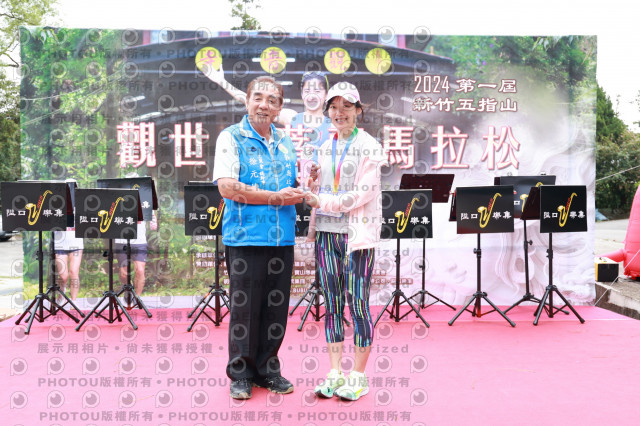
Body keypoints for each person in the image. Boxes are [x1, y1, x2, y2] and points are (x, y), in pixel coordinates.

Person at [212, 75, 306, 400]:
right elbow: (227, 187)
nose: (264, 105)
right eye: (258, 98)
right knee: (245, 309)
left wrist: (308, 180)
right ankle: (240, 373)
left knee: (275, 309)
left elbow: (292, 184)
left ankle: (268, 370)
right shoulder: (231, 137)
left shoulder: (286, 142)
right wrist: (275, 198)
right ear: (248, 101)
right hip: (245, 237)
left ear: (279, 108)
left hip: (282, 238)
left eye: (272, 100)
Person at [304, 82, 387, 401]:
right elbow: (319, 188)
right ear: (328, 113)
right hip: (326, 235)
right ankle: (336, 372)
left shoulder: (370, 147)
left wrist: (323, 200)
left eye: (347, 107)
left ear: (358, 110)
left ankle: (359, 376)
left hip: (357, 238)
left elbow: (362, 194)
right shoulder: (325, 147)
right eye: (334, 107)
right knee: (333, 304)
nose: (340, 113)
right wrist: (312, 182)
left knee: (359, 305)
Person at [204, 67, 333, 157]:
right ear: (302, 94)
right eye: (307, 91)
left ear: (326, 94)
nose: (312, 96)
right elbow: (248, 100)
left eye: (317, 91)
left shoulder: (333, 126)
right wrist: (222, 82)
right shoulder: (291, 117)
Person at [115, 211, 157, 297]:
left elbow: (152, 216)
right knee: (123, 274)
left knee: (140, 270)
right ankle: (128, 288)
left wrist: (153, 222)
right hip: (121, 240)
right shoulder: (118, 201)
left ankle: (136, 299)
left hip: (139, 241)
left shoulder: (144, 202)